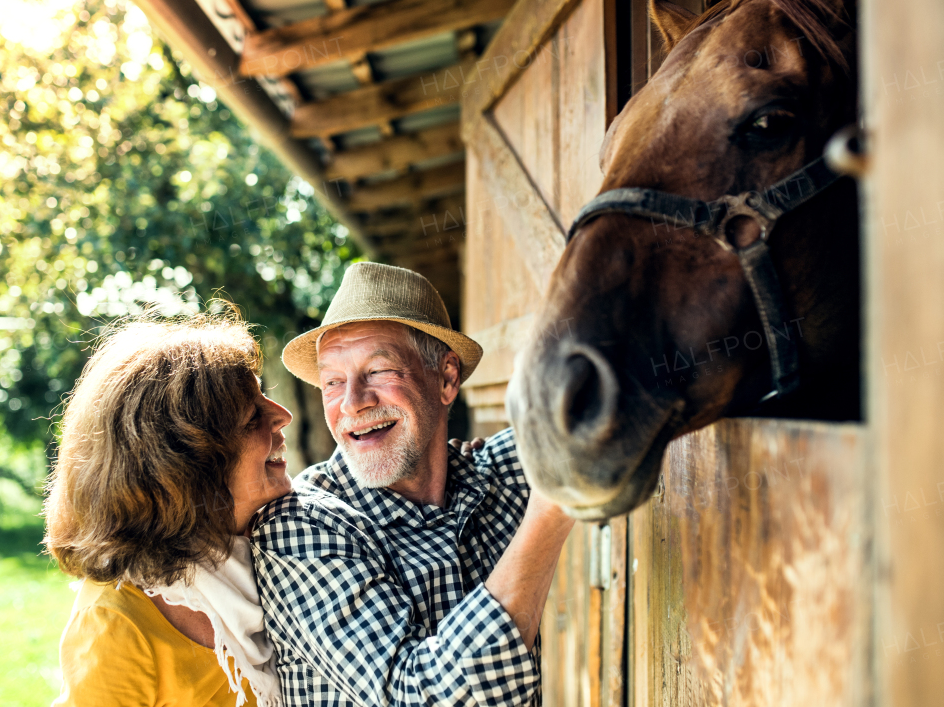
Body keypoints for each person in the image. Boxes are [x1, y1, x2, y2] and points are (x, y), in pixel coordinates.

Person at [252, 262, 575, 707]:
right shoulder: (299, 527)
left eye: (379, 371)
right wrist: (551, 511)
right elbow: (417, 696)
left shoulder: (489, 479)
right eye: (332, 382)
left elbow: (595, 403)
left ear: (446, 379)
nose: (352, 403)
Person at [43, 312, 293, 707]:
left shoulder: (288, 546)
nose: (283, 415)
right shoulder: (116, 624)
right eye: (252, 417)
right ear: (189, 467)